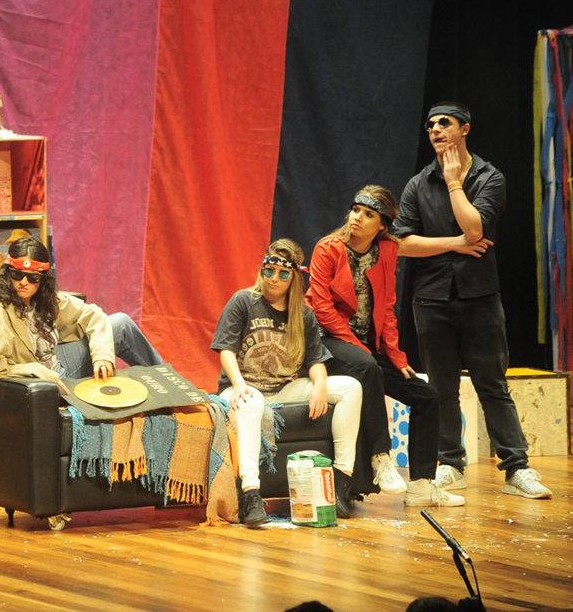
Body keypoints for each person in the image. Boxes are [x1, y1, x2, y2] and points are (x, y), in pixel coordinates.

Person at [392, 101, 551, 498]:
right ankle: (451, 464)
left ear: (464, 129)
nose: (435, 129)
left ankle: (516, 468)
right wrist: (455, 244)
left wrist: (453, 183)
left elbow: (475, 228)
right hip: (431, 297)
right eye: (430, 125)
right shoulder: (417, 184)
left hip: (479, 295)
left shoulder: (489, 177)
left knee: (492, 384)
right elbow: (402, 243)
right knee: (441, 387)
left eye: (444, 123)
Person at [306, 185, 465, 507]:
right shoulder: (328, 248)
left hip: (367, 348)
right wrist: (360, 348)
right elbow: (322, 309)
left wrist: (395, 355)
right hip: (327, 342)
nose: (357, 218)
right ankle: (381, 458)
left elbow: (387, 307)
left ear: (382, 225)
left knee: (427, 396)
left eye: (368, 214)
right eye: (355, 210)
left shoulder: (387, 250)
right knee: (367, 366)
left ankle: (422, 486)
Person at [211, 238, 363, 525]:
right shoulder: (243, 301)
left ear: (294, 278)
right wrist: (238, 381)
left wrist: (320, 384)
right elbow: (226, 350)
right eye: (269, 271)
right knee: (250, 400)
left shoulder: (302, 314)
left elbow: (315, 360)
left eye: (283, 274)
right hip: (242, 386)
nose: (274, 279)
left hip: (284, 387)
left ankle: (342, 482)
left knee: (350, 388)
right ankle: (251, 493)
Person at [0, 237, 163, 392]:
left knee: (121, 323)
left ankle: (168, 385)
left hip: (55, 361)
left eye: (33, 278)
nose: (23, 282)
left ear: (42, 279)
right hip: (44, 379)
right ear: (7, 274)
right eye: (17, 275)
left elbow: (93, 314)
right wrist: (34, 370)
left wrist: (102, 355)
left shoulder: (43, 299)